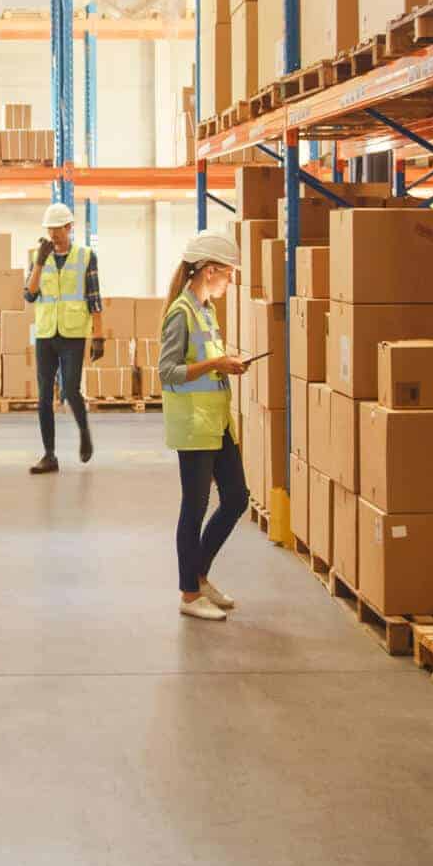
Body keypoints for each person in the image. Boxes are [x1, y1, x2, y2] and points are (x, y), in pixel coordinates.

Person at [160, 231, 251, 621]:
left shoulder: (206, 309)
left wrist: (226, 362)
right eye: (228, 274)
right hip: (194, 425)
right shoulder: (181, 313)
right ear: (210, 270)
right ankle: (189, 593)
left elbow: (207, 361)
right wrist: (217, 364)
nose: (231, 280)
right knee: (193, 509)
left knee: (236, 497)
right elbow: (167, 373)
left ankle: (200, 575)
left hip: (217, 423)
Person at [24, 201, 103, 474]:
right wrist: (39, 263)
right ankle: (49, 455)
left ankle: (84, 431)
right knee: (44, 395)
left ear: (70, 228)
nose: (54, 234)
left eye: (59, 229)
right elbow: (29, 294)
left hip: (72, 333)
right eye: (50, 229)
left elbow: (94, 299)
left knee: (70, 389)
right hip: (46, 333)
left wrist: (99, 336)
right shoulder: (39, 255)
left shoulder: (85, 256)